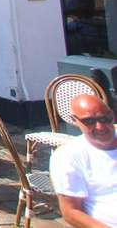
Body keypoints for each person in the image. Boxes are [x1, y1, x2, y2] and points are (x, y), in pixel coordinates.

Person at [49, 94, 117, 227]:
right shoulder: (67, 156)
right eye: (89, 121)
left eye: (105, 118)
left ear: (112, 115)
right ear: (74, 120)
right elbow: (71, 212)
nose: (100, 127)